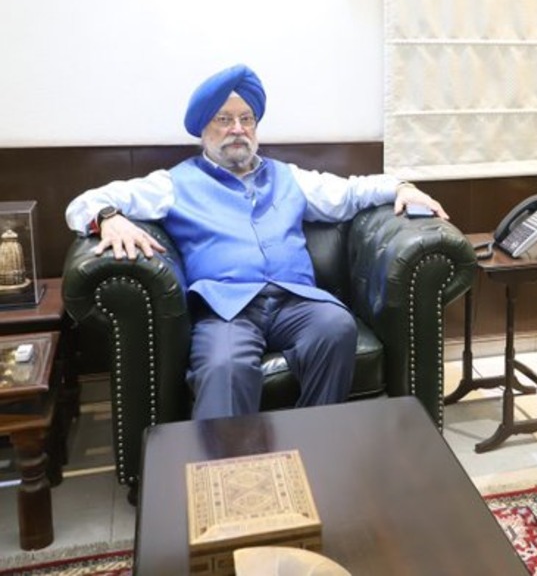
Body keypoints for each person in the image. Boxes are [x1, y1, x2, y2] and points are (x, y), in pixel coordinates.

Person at [65, 64, 448, 421]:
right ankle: (228, 470)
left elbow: (350, 193)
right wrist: (107, 218)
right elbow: (83, 203)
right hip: (226, 307)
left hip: (296, 300)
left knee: (336, 326)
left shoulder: (287, 177)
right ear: (204, 130)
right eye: (224, 119)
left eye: (246, 119)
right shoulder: (174, 183)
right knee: (223, 366)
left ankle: (316, 441)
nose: (238, 129)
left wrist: (402, 187)